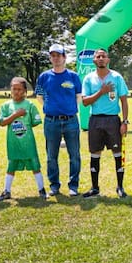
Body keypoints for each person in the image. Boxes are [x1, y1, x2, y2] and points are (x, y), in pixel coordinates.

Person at [79, 48, 130, 198]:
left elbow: (124, 101)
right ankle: (95, 188)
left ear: (108, 60)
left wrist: (124, 122)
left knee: (117, 153)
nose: (101, 58)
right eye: (98, 56)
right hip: (95, 120)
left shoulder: (116, 77)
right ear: (94, 60)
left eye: (103, 56)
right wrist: (101, 92)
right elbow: (85, 102)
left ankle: (120, 187)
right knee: (95, 153)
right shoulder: (89, 79)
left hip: (113, 120)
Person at [37, 43, 83, 196]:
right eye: (53, 56)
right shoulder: (44, 77)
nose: (56, 58)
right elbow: (39, 96)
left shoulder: (73, 76)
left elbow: (78, 96)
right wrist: (49, 108)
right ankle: (54, 185)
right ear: (50, 58)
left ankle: (73, 185)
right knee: (51, 156)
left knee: (74, 155)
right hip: (51, 121)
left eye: (58, 55)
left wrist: (69, 109)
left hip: (71, 121)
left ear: (64, 57)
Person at [0, 76, 47, 200]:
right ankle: (7, 190)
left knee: (35, 165)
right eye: (14, 89)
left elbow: (35, 122)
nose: (16, 92)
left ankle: (42, 189)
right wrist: (16, 114)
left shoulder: (30, 105)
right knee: (11, 166)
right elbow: (2, 122)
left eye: (19, 89)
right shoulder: (6, 106)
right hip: (13, 143)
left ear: (25, 91)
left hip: (28, 142)